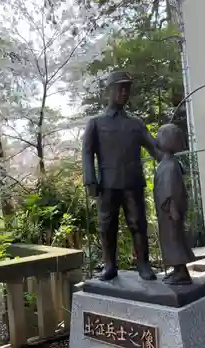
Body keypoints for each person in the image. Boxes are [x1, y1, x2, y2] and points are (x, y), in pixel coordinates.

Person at [82, 71, 161, 281]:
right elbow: (87, 152)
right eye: (120, 88)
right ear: (110, 91)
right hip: (107, 185)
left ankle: (144, 264)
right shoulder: (96, 123)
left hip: (132, 183)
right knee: (107, 226)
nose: (124, 92)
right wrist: (90, 179)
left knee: (138, 223)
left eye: (127, 88)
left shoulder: (135, 123)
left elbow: (154, 147)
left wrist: (171, 159)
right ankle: (109, 265)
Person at [154, 123, 196, 285]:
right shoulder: (169, 163)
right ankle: (178, 270)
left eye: (159, 134)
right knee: (171, 240)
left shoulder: (170, 165)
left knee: (174, 240)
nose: (157, 137)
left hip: (170, 212)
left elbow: (170, 189)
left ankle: (182, 272)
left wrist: (172, 209)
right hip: (167, 213)